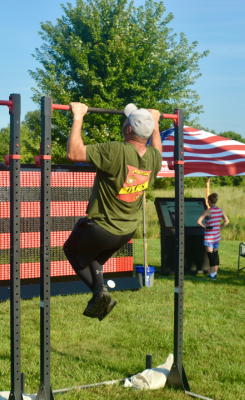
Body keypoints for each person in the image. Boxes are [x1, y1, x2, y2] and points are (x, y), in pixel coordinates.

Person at [63, 102, 163, 320]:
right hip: (126, 231)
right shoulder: (154, 158)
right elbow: (157, 147)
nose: (124, 121)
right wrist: (155, 124)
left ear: (129, 129)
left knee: (72, 250)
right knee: (93, 256)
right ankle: (101, 292)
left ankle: (99, 293)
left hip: (100, 228)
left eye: (126, 119)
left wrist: (78, 116)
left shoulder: (116, 150)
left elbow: (74, 153)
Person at [197, 193, 229, 280]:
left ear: (209, 201)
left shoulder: (208, 211)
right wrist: (219, 228)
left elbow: (199, 221)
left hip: (209, 237)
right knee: (215, 254)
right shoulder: (220, 210)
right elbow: (226, 221)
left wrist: (205, 226)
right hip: (217, 236)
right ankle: (215, 273)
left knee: (210, 256)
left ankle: (211, 275)